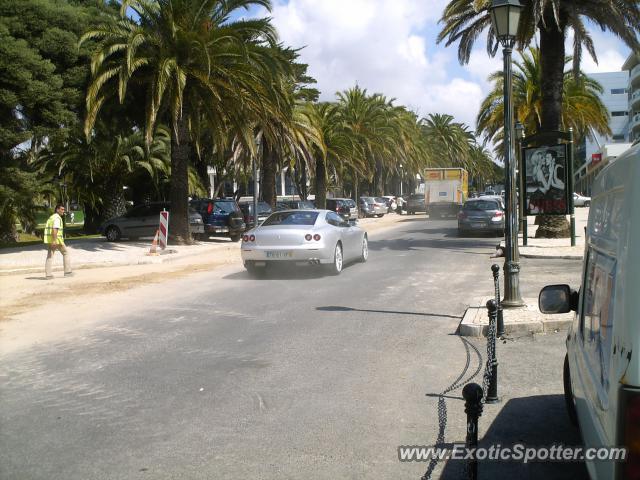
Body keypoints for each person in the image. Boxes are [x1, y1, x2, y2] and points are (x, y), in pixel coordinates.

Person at [44, 203, 73, 279]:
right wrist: (54, 240)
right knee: (65, 253)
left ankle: (48, 275)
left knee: (50, 256)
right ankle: (68, 272)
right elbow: (54, 229)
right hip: (57, 240)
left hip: (51, 240)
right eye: (62, 209)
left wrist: (52, 240)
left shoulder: (51, 217)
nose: (63, 211)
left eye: (64, 209)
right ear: (57, 210)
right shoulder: (57, 218)